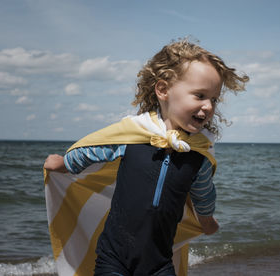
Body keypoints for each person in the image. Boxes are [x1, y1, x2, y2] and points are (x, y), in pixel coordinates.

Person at [44, 39, 249, 276]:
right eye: (200, 95)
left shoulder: (198, 154)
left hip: (159, 262)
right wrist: (63, 163)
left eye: (213, 99)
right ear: (163, 90)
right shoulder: (134, 133)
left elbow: (203, 192)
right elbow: (96, 148)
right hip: (113, 258)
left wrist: (206, 219)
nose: (208, 106)